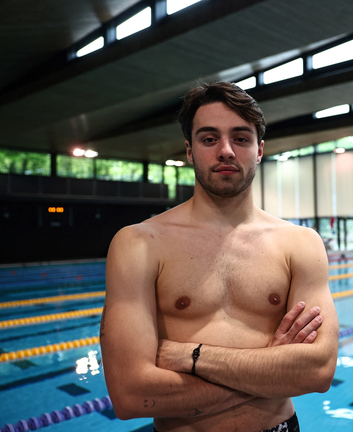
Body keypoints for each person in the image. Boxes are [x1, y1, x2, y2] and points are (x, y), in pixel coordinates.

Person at [100, 81, 339, 432]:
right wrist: (271, 370)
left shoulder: (300, 244)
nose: (226, 150)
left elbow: (318, 372)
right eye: (209, 138)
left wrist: (189, 356)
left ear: (259, 150)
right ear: (190, 151)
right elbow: (130, 395)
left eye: (240, 139)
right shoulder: (139, 243)